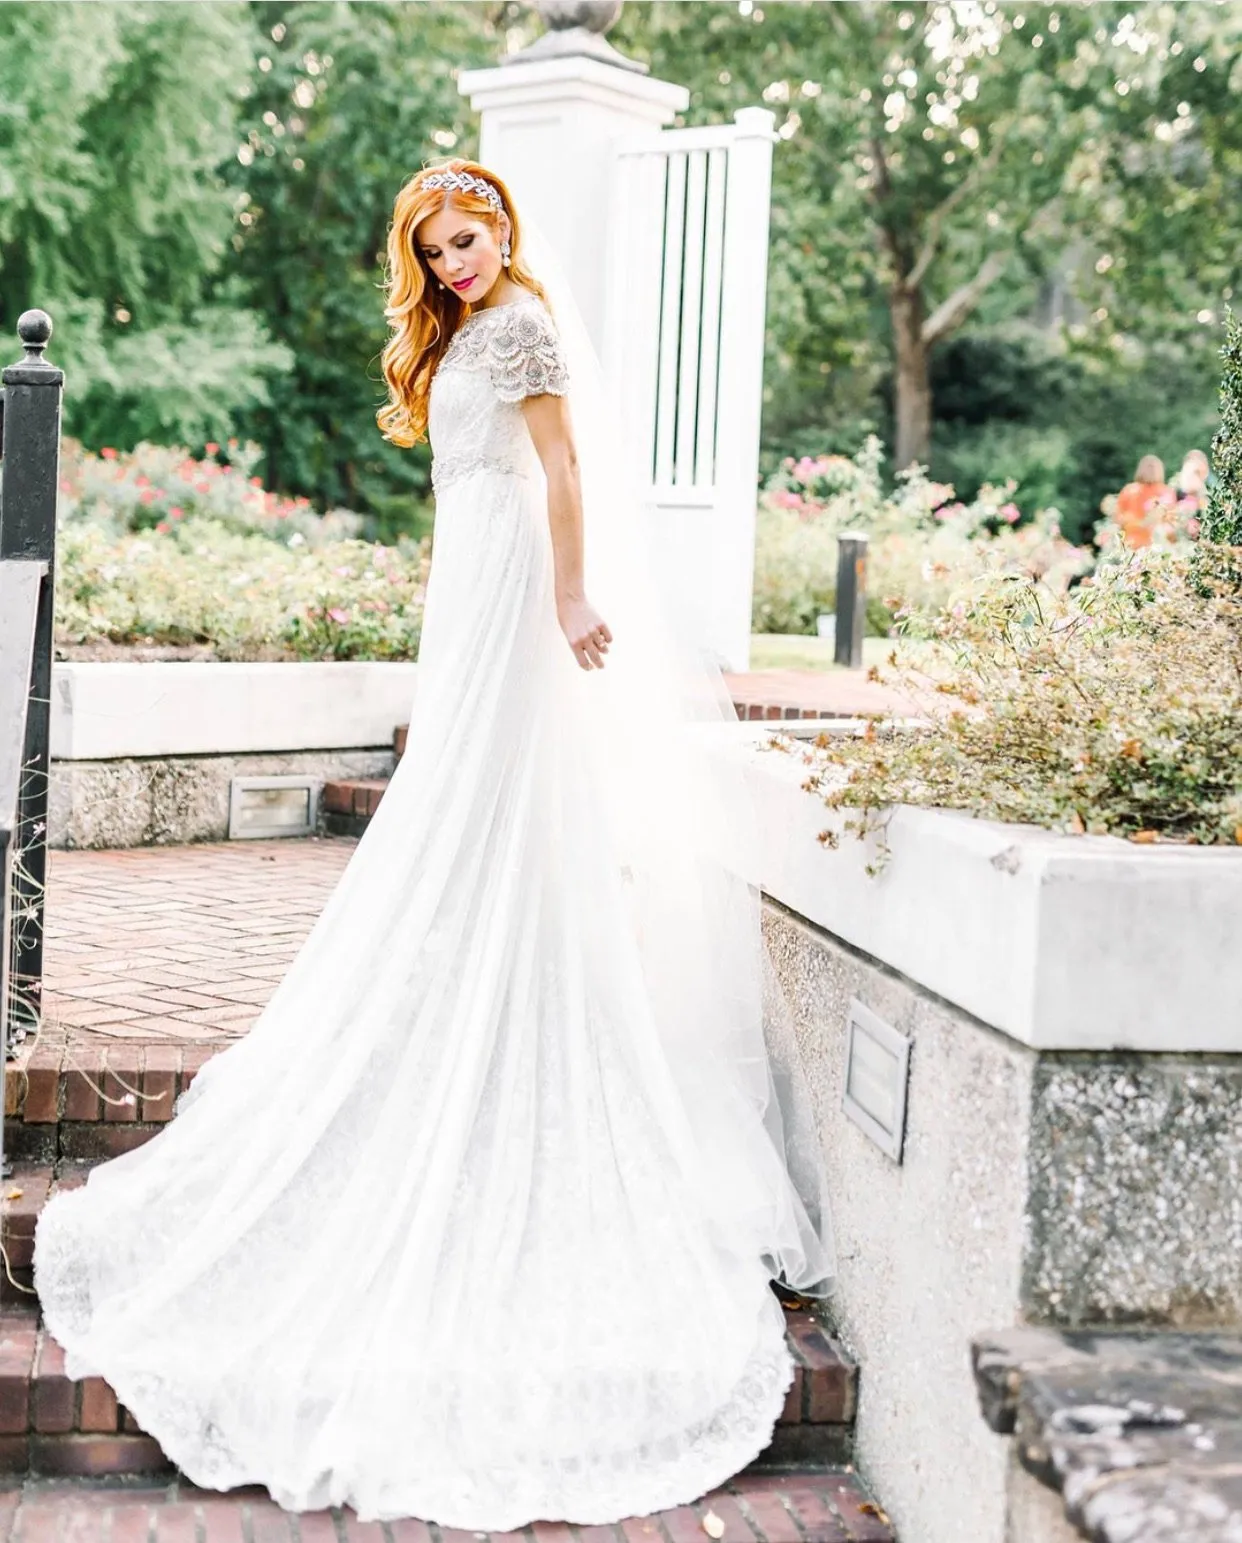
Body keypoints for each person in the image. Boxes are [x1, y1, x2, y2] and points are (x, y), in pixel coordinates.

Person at [32, 160, 833, 1528]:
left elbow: (561, 465)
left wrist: (571, 595)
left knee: (489, 805)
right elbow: (468, 482)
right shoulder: (460, 328)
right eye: (435, 246)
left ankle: (494, 999)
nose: (455, 261)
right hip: (468, 586)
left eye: (467, 238)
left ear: (505, 227)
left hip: (523, 584)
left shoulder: (519, 319)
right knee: (453, 800)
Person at [1111, 455, 1177, 548]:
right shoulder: (1166, 492)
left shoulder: (1129, 490)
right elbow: (1172, 522)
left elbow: (1118, 518)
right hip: (1156, 544)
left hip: (1134, 542)